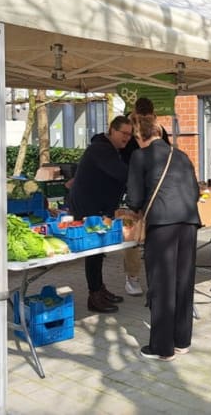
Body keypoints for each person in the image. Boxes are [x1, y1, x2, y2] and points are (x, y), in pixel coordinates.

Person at [125, 115, 201, 362]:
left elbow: (134, 197)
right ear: (159, 132)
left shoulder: (140, 156)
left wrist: (135, 208)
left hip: (162, 224)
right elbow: (195, 191)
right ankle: (182, 340)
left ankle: (162, 347)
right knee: (183, 281)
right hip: (189, 221)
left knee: (162, 284)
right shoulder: (181, 155)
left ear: (140, 136)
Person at [68, 115, 132, 313]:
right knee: (93, 251)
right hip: (88, 207)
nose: (127, 138)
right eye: (123, 133)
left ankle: (99, 288)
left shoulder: (109, 149)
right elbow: (122, 174)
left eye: (129, 135)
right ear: (112, 130)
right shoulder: (101, 149)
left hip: (97, 206)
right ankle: (94, 295)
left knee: (99, 251)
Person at [118, 97, 170, 297]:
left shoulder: (159, 129)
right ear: (135, 114)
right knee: (132, 235)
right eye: (142, 118)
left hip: (154, 189)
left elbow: (167, 154)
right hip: (132, 186)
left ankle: (153, 275)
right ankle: (132, 277)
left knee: (151, 235)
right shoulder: (127, 128)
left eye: (149, 117)